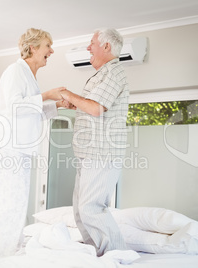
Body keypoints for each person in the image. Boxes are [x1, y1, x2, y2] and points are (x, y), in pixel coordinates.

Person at [0, 28, 68, 256]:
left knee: (17, 201)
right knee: (9, 201)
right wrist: (47, 95)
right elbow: (15, 107)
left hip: (18, 147)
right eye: (47, 46)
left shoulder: (29, 76)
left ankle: (10, 247)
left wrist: (56, 105)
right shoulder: (15, 71)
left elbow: (30, 111)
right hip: (8, 145)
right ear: (33, 48)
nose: (52, 50)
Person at [60, 28, 130, 256]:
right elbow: (90, 104)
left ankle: (117, 256)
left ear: (107, 46)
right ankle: (95, 253)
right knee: (81, 211)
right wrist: (76, 103)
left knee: (91, 208)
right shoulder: (103, 74)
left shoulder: (115, 72)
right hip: (89, 153)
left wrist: (67, 94)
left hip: (102, 153)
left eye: (92, 43)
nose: (88, 48)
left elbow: (96, 108)